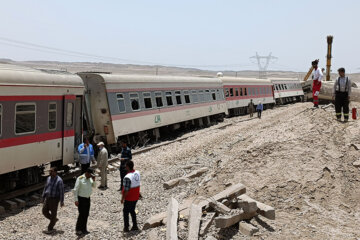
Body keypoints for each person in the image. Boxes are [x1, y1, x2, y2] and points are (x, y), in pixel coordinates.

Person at [73, 168, 96, 236]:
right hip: (81, 199)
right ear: (87, 173)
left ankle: (84, 229)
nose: (90, 176)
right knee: (81, 214)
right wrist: (76, 200)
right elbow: (75, 190)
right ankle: (78, 229)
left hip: (87, 199)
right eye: (90, 175)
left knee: (86, 214)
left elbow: (94, 186)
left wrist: (94, 180)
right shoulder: (80, 179)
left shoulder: (90, 179)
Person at [41, 167, 64, 233]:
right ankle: (54, 220)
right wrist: (43, 197)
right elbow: (45, 188)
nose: (50, 172)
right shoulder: (48, 178)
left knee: (53, 213)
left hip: (54, 199)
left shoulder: (59, 180)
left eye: (51, 171)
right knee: (44, 211)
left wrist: (62, 201)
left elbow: (61, 192)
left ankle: (50, 228)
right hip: (48, 198)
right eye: (49, 171)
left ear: (55, 172)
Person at [121, 160, 140, 232]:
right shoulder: (137, 173)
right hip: (136, 196)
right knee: (132, 210)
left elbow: (126, 190)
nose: (125, 167)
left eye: (126, 166)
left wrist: (122, 198)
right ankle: (135, 225)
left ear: (128, 167)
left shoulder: (127, 177)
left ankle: (126, 227)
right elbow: (137, 183)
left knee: (125, 212)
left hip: (130, 197)